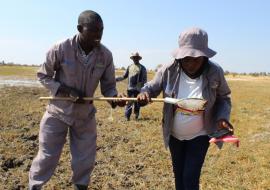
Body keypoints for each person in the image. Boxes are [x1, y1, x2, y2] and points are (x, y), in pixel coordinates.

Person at [29, 10, 126, 190]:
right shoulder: (61, 48)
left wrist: (115, 98)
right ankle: (34, 186)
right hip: (57, 112)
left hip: (85, 115)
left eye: (101, 30)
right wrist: (66, 90)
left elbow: (109, 87)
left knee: (85, 159)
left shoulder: (105, 55)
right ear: (80, 28)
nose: (99, 35)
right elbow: (43, 75)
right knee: (47, 157)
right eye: (94, 30)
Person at [137, 27, 232, 190]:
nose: (191, 63)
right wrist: (144, 94)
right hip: (174, 136)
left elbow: (224, 98)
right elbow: (151, 88)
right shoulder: (168, 69)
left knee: (190, 178)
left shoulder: (214, 72)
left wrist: (222, 118)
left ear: (204, 56)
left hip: (201, 135)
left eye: (196, 58)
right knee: (179, 177)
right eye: (186, 58)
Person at [116, 52, 147, 120]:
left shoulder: (143, 68)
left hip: (138, 89)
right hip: (130, 89)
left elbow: (145, 80)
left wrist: (144, 90)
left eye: (136, 58)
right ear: (132, 59)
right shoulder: (129, 67)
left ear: (139, 59)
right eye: (134, 58)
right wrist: (116, 79)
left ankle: (136, 116)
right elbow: (124, 76)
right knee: (129, 103)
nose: (135, 59)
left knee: (137, 103)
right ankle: (127, 117)